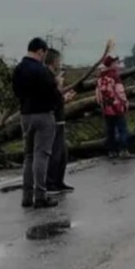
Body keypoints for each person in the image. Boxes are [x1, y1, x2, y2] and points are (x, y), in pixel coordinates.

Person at [12, 38, 63, 208]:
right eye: (44, 54)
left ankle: (26, 196)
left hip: (25, 115)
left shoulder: (19, 69)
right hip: (43, 115)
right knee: (41, 155)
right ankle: (40, 196)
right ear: (41, 51)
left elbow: (16, 92)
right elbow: (54, 95)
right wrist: (59, 88)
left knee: (28, 156)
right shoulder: (41, 71)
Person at [44, 48, 76, 192]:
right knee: (55, 153)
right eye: (58, 60)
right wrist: (63, 95)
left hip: (60, 118)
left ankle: (59, 181)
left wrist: (63, 96)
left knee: (63, 153)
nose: (60, 63)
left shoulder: (52, 76)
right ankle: (50, 183)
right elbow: (52, 99)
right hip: (54, 119)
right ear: (54, 60)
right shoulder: (47, 77)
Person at [95, 55, 131, 159]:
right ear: (111, 65)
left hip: (106, 108)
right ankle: (123, 150)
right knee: (122, 129)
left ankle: (111, 151)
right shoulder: (115, 76)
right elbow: (120, 91)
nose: (117, 65)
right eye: (115, 63)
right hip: (117, 107)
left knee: (110, 130)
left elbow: (98, 94)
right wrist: (125, 102)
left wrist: (101, 104)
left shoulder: (100, 78)